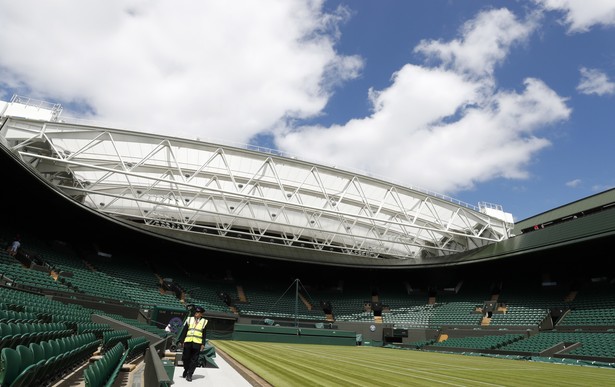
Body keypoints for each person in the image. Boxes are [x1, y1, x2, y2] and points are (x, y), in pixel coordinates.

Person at [178, 306, 207, 382]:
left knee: (194, 360)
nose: (196, 313)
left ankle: (190, 374)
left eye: (198, 312)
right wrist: (181, 341)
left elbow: (204, 334)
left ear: (201, 314)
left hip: (197, 343)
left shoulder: (204, 321)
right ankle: (186, 369)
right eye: (196, 312)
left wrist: (203, 344)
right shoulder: (189, 319)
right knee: (185, 358)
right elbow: (185, 330)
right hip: (188, 341)